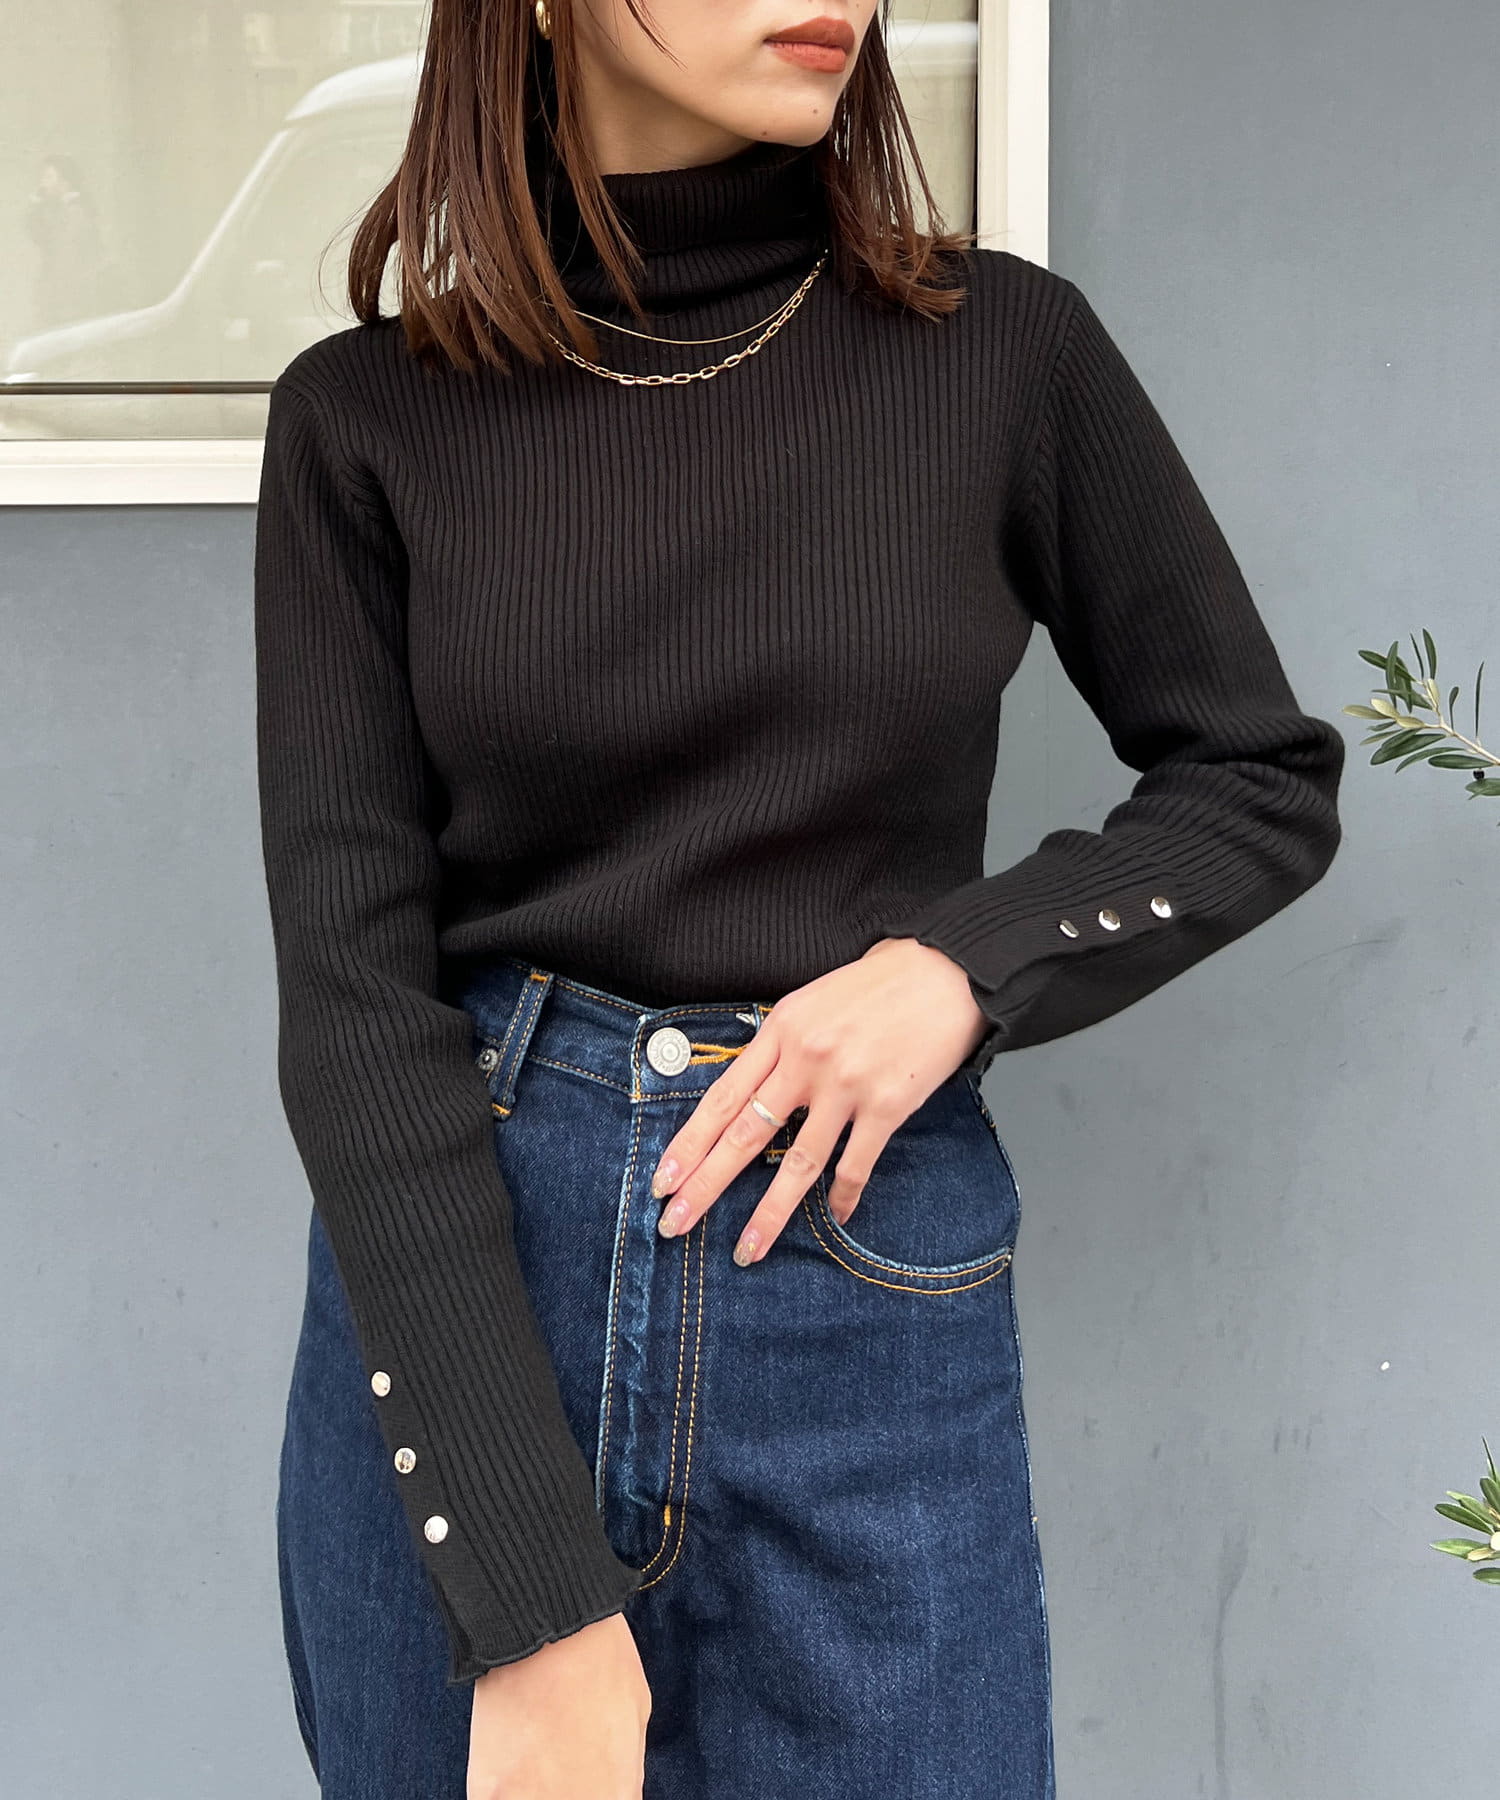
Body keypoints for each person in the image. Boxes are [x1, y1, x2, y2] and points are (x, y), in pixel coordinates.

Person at [254, 3, 1346, 1797]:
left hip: (858, 1275)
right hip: (476, 1298)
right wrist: (525, 1601)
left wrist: (960, 965)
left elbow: (1255, 775)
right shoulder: (366, 420)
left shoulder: (1002, 352)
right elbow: (357, 1012)